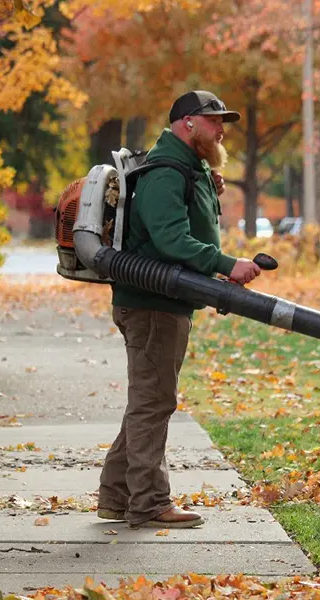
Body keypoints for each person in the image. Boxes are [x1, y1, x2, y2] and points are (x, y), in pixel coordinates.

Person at [96, 90, 261, 529]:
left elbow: (183, 221)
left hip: (164, 303)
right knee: (153, 402)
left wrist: (207, 185)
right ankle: (149, 502)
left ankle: (116, 495)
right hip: (153, 305)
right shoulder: (167, 173)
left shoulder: (186, 168)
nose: (221, 129)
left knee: (149, 400)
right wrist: (228, 265)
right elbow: (171, 241)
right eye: (214, 121)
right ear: (187, 123)